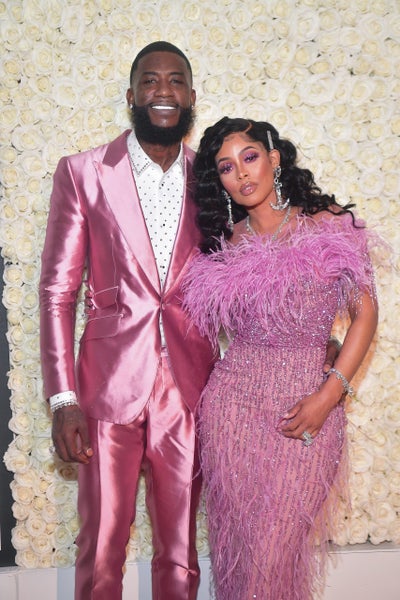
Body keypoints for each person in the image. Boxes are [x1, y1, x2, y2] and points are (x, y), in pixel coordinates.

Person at [39, 41, 217, 600]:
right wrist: (62, 399)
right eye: (150, 80)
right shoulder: (83, 172)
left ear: (191, 96)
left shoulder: (213, 178)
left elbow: (244, 271)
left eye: (175, 80)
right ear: (131, 95)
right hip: (106, 386)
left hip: (189, 387)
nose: (163, 90)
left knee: (180, 552)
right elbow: (58, 291)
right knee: (101, 547)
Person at [182, 117, 378, 600]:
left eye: (249, 157)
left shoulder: (328, 223)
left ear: (273, 158)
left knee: (273, 557)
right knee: (241, 556)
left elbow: (365, 314)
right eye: (226, 167)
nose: (242, 173)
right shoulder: (226, 244)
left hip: (309, 409)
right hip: (232, 411)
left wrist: (328, 396)